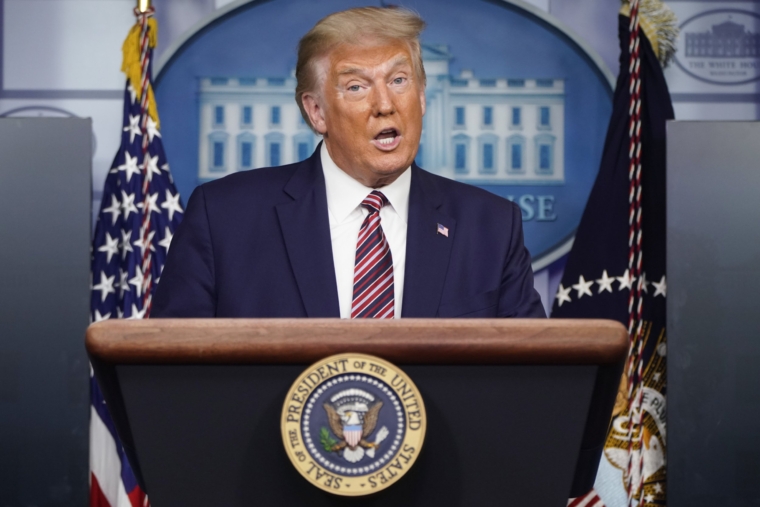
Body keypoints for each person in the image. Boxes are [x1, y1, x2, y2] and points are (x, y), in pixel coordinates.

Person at [152, 7, 545, 319]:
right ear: (316, 111)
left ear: (422, 97)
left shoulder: (491, 227)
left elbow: (533, 383)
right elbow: (173, 381)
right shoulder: (223, 218)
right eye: (357, 86)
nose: (385, 105)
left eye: (399, 80)